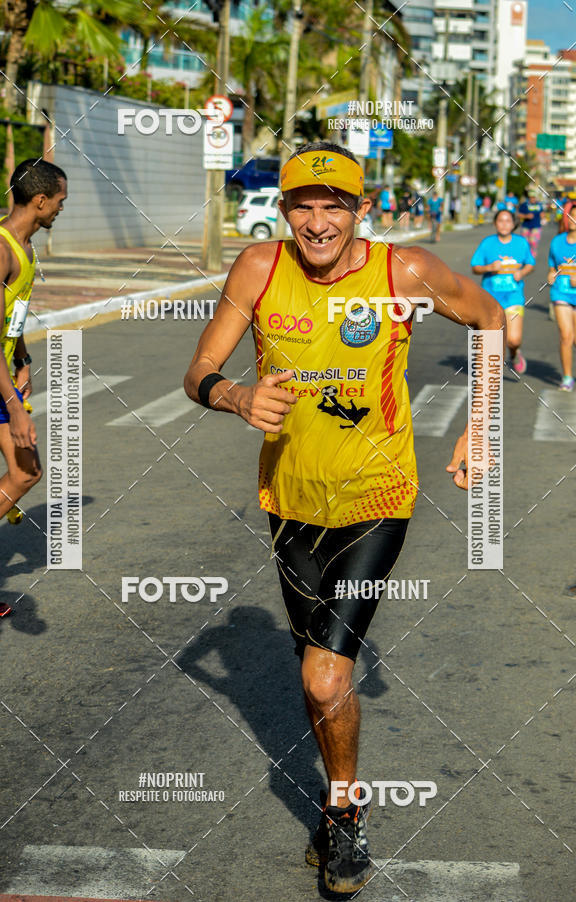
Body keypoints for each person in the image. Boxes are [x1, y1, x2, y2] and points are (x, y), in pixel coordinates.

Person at [184, 141, 504, 895]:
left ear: (363, 209)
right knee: (314, 672)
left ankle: (344, 814)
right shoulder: (260, 270)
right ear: (284, 208)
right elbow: (199, 369)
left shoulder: (406, 271)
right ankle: (339, 786)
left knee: (327, 678)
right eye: (304, 204)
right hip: (289, 501)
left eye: (336, 205)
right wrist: (233, 396)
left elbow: (489, 320)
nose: (319, 222)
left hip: (377, 497)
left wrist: (481, 424)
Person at [0, 158, 67, 616]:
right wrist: (14, 407)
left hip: (0, 372)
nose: (61, 210)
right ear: (39, 200)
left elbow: (11, 318)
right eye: (59, 202)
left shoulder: (26, 245)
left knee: (25, 472)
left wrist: (24, 355)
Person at [471, 209, 534, 375]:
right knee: (491, 338)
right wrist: (488, 267)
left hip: (513, 297)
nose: (504, 224)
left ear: (513, 224)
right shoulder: (487, 243)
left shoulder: (521, 243)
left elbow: (530, 263)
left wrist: (522, 272)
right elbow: (475, 267)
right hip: (490, 298)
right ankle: (490, 371)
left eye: (508, 221)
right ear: (495, 223)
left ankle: (514, 354)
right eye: (500, 220)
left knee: (513, 340)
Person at [547, 200, 576, 390]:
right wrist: (551, 274)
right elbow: (552, 265)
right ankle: (567, 377)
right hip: (561, 294)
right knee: (566, 336)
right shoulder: (557, 241)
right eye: (572, 215)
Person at [517, 189, 544, 258]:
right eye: (531, 197)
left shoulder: (539, 205)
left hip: (536, 226)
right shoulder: (524, 205)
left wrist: (543, 215)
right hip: (526, 226)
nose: (532, 199)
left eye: (534, 197)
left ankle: (532, 258)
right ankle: (525, 257)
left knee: (533, 242)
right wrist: (526, 216)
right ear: (529, 197)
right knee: (525, 243)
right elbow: (519, 215)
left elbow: (542, 213)